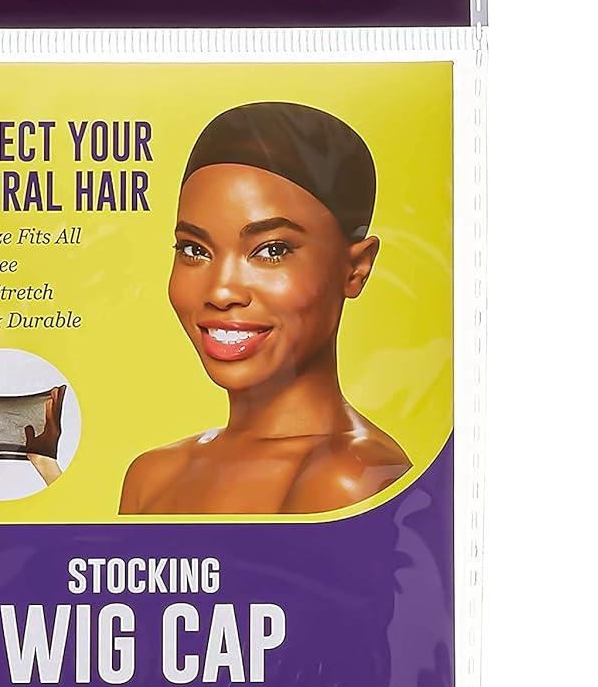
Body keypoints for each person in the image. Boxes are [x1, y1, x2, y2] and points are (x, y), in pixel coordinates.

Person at [120, 102, 409, 515]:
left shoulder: (352, 480)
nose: (221, 291)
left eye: (271, 250)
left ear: (356, 268)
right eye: (194, 250)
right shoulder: (152, 477)